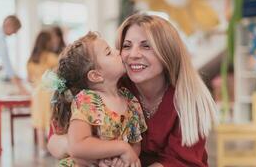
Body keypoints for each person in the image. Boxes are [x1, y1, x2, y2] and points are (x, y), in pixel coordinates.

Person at [48, 14, 217, 167]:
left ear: (167, 52)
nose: (133, 54)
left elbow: (180, 161)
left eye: (146, 46)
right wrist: (99, 156)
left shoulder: (188, 98)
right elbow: (55, 142)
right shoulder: (109, 86)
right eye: (127, 46)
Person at [48, 32, 146, 166]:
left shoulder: (131, 100)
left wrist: (125, 158)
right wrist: (122, 148)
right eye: (109, 52)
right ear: (96, 76)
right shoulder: (87, 101)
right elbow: (77, 146)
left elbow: (135, 142)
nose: (118, 52)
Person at [27, 30, 59, 156]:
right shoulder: (50, 57)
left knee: (40, 121)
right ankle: (52, 146)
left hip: (36, 93)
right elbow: (59, 70)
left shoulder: (31, 59)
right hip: (48, 91)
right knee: (50, 119)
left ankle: (42, 148)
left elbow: (29, 78)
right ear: (47, 42)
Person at [0, 15, 29, 94]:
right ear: (9, 25)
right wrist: (22, 89)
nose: (15, 33)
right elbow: (7, 65)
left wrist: (16, 77)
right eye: (15, 30)